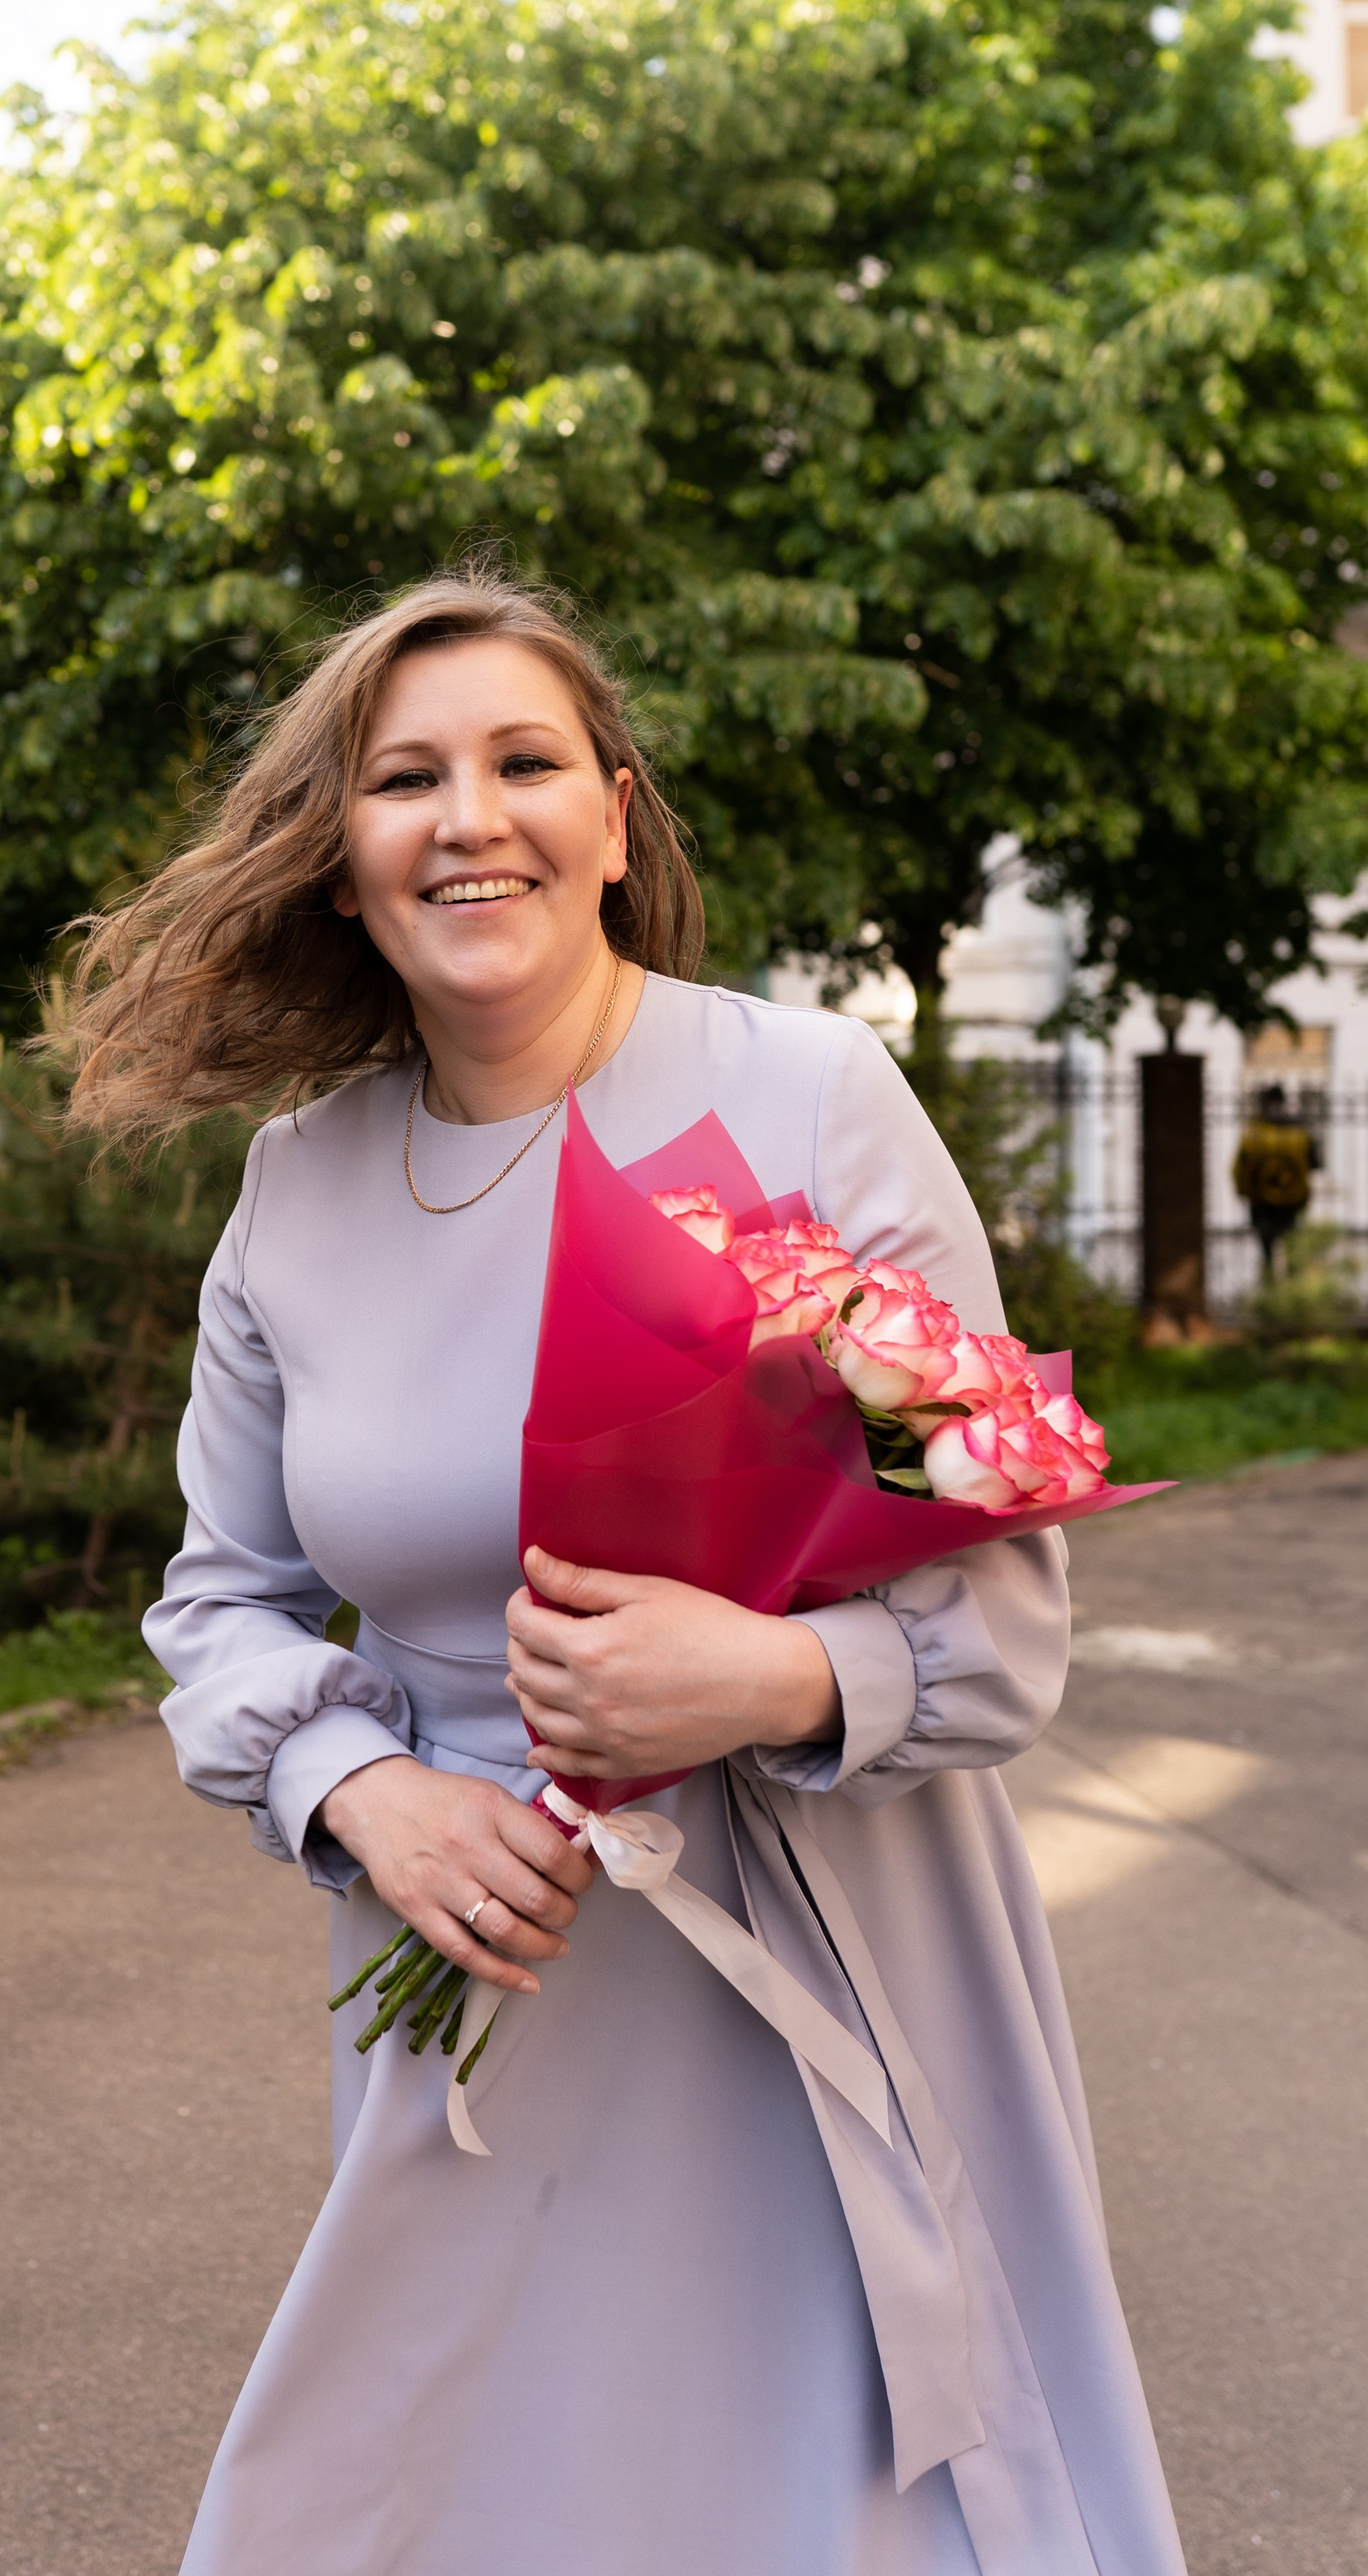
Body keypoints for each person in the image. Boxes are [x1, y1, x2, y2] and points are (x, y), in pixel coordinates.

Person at [69, 565, 1185, 2576]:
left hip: (830, 1918)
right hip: (484, 1942)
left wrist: (766, 1677)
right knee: (458, 2483)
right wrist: (357, 1791)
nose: (465, 814)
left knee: (833, 2494)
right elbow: (213, 1599)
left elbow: (998, 1591)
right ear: (341, 863)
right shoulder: (298, 1186)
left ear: (611, 813)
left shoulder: (801, 1098)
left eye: (520, 760)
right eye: (402, 778)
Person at [1233, 1081, 1317, 1276]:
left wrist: (1244, 1192)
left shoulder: (1255, 1131)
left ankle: (1271, 1292)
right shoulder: (1299, 1131)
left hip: (1262, 1204)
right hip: (1292, 1201)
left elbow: (1240, 1168)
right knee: (1294, 1253)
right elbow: (1314, 1163)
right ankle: (1291, 1295)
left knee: (1267, 1254)